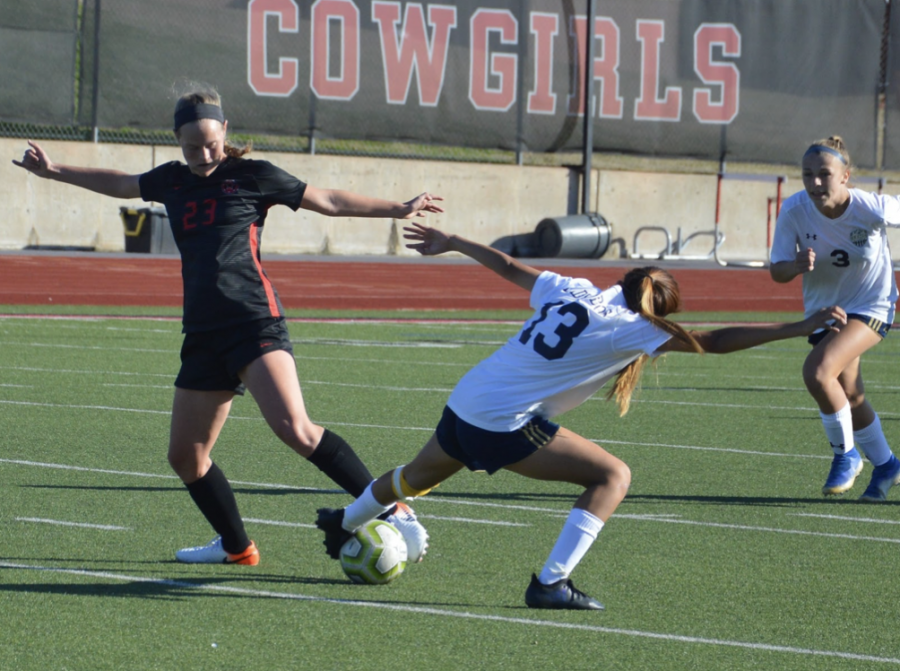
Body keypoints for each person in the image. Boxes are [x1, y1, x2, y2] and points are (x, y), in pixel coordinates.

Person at [12, 85, 442, 565]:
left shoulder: (254, 176)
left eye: (211, 143)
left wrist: (398, 208)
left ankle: (393, 507)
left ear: (226, 132)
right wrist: (53, 171)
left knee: (295, 429)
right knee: (186, 458)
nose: (202, 154)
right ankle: (237, 548)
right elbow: (120, 183)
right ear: (176, 140)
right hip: (202, 332)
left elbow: (330, 200)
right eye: (191, 146)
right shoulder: (172, 181)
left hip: (254, 320)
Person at [316, 222, 846, 610]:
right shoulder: (632, 325)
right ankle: (550, 583)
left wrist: (453, 241)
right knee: (613, 476)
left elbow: (509, 267)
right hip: (502, 420)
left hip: (466, 400)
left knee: (410, 478)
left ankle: (342, 525)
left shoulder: (575, 288)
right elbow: (713, 341)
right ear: (656, 307)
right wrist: (798, 328)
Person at [770, 135, 900, 502]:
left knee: (817, 372)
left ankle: (846, 455)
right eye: (807, 174)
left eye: (824, 174)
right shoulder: (794, 210)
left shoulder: (871, 207)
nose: (814, 183)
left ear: (846, 177)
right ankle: (889, 465)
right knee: (851, 395)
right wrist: (794, 266)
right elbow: (776, 271)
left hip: (873, 305)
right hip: (825, 312)